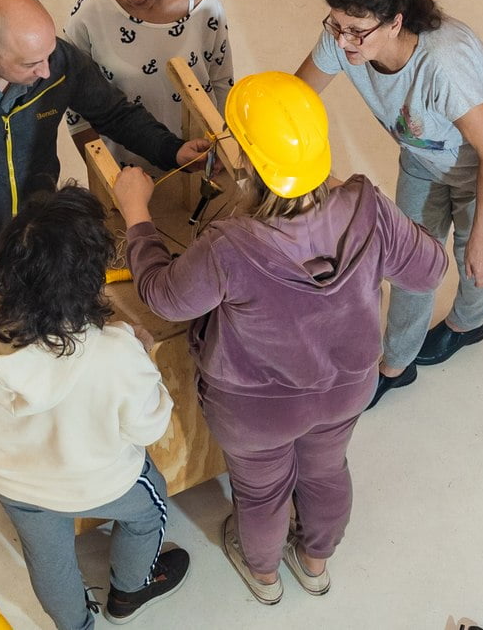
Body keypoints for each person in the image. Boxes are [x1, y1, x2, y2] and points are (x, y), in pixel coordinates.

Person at [115, 72, 445, 603]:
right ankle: (314, 564)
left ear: (246, 161)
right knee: (325, 471)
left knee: (262, 491)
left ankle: (263, 575)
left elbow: (163, 296)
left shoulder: (230, 246)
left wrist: (136, 216)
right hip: (346, 388)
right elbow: (429, 271)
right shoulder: (371, 208)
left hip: (255, 408)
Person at [0, 0, 211, 480]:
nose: (47, 71)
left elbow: (113, 113)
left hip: (39, 230)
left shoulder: (53, 59)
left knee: (54, 333)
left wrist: (171, 150)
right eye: (32, 63)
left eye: (49, 55)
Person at [0, 189, 190, 630]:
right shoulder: (115, 355)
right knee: (150, 510)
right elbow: (148, 427)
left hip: (11, 478)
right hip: (98, 482)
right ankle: (128, 592)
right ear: (91, 282)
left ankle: (75, 626)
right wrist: (140, 356)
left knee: (48, 561)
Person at [295, 0, 483, 405]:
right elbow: (295, 98)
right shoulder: (342, 39)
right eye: (336, 26)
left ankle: (467, 324)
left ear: (395, 23)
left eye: (357, 31)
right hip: (425, 157)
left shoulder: (442, 65)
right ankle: (396, 362)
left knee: (476, 258)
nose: (343, 40)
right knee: (409, 257)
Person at [62, 0, 232, 166]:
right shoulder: (88, 17)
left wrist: (223, 146)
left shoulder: (205, 8)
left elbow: (221, 80)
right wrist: (104, 175)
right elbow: (76, 109)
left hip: (199, 153)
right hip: (128, 161)